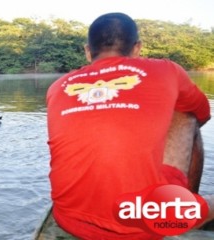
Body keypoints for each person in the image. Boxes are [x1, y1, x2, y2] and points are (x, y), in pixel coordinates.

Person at [46, 12, 212, 239]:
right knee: (187, 113)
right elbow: (202, 113)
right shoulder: (167, 70)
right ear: (137, 48)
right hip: (140, 227)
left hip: (69, 220)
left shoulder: (58, 86)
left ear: (87, 51)